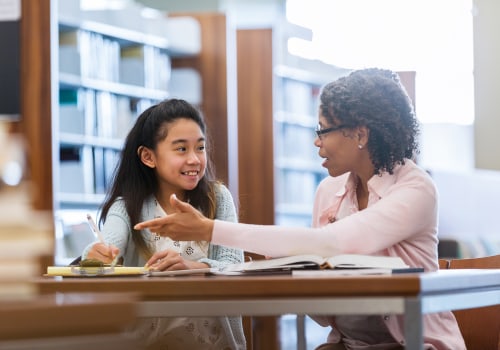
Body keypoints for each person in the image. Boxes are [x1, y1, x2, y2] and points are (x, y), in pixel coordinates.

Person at [134, 69, 466, 350]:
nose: (316, 141)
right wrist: (290, 267)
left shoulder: (416, 189)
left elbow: (331, 243)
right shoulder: (329, 191)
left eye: (323, 130)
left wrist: (209, 229)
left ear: (360, 134)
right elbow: (322, 311)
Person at [81, 98, 246, 350]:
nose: (194, 160)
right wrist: (97, 256)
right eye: (181, 149)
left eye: (200, 148)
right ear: (148, 157)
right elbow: (108, 246)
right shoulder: (126, 208)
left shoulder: (217, 198)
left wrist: (192, 267)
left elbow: (234, 266)